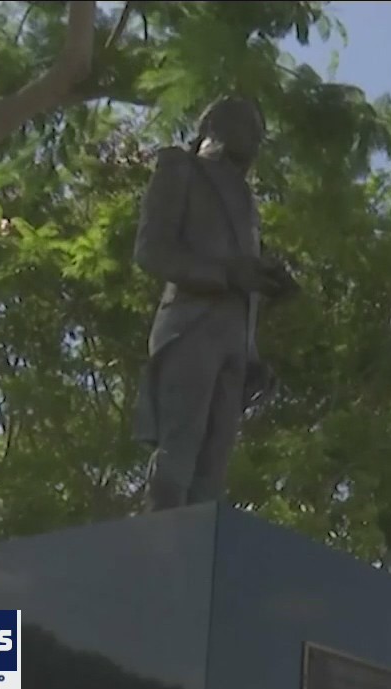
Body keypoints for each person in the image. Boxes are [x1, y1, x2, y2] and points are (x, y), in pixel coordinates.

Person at [130, 96, 298, 511]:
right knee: (179, 451)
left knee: (212, 472)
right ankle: (159, 550)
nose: (257, 141)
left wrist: (253, 345)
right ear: (218, 127)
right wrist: (226, 274)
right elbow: (153, 251)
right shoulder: (181, 168)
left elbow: (243, 277)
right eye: (250, 128)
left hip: (234, 342)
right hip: (190, 324)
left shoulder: (248, 202)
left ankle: (194, 560)